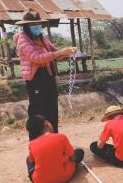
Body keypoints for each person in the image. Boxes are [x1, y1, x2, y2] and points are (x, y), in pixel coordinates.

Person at [14, 9, 76, 140]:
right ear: (26, 26)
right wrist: (58, 53)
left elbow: (54, 52)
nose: (37, 26)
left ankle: (55, 141)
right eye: (33, 24)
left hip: (48, 77)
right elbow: (36, 58)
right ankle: (36, 144)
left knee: (52, 110)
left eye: (38, 23)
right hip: (35, 79)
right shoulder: (22, 40)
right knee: (38, 113)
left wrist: (67, 51)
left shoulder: (42, 38)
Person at [25, 115, 84, 183]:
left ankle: (35, 175)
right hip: (64, 177)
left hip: (40, 182)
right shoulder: (61, 137)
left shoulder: (31, 144)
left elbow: (33, 162)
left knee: (28, 159)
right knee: (79, 152)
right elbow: (73, 158)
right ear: (46, 124)